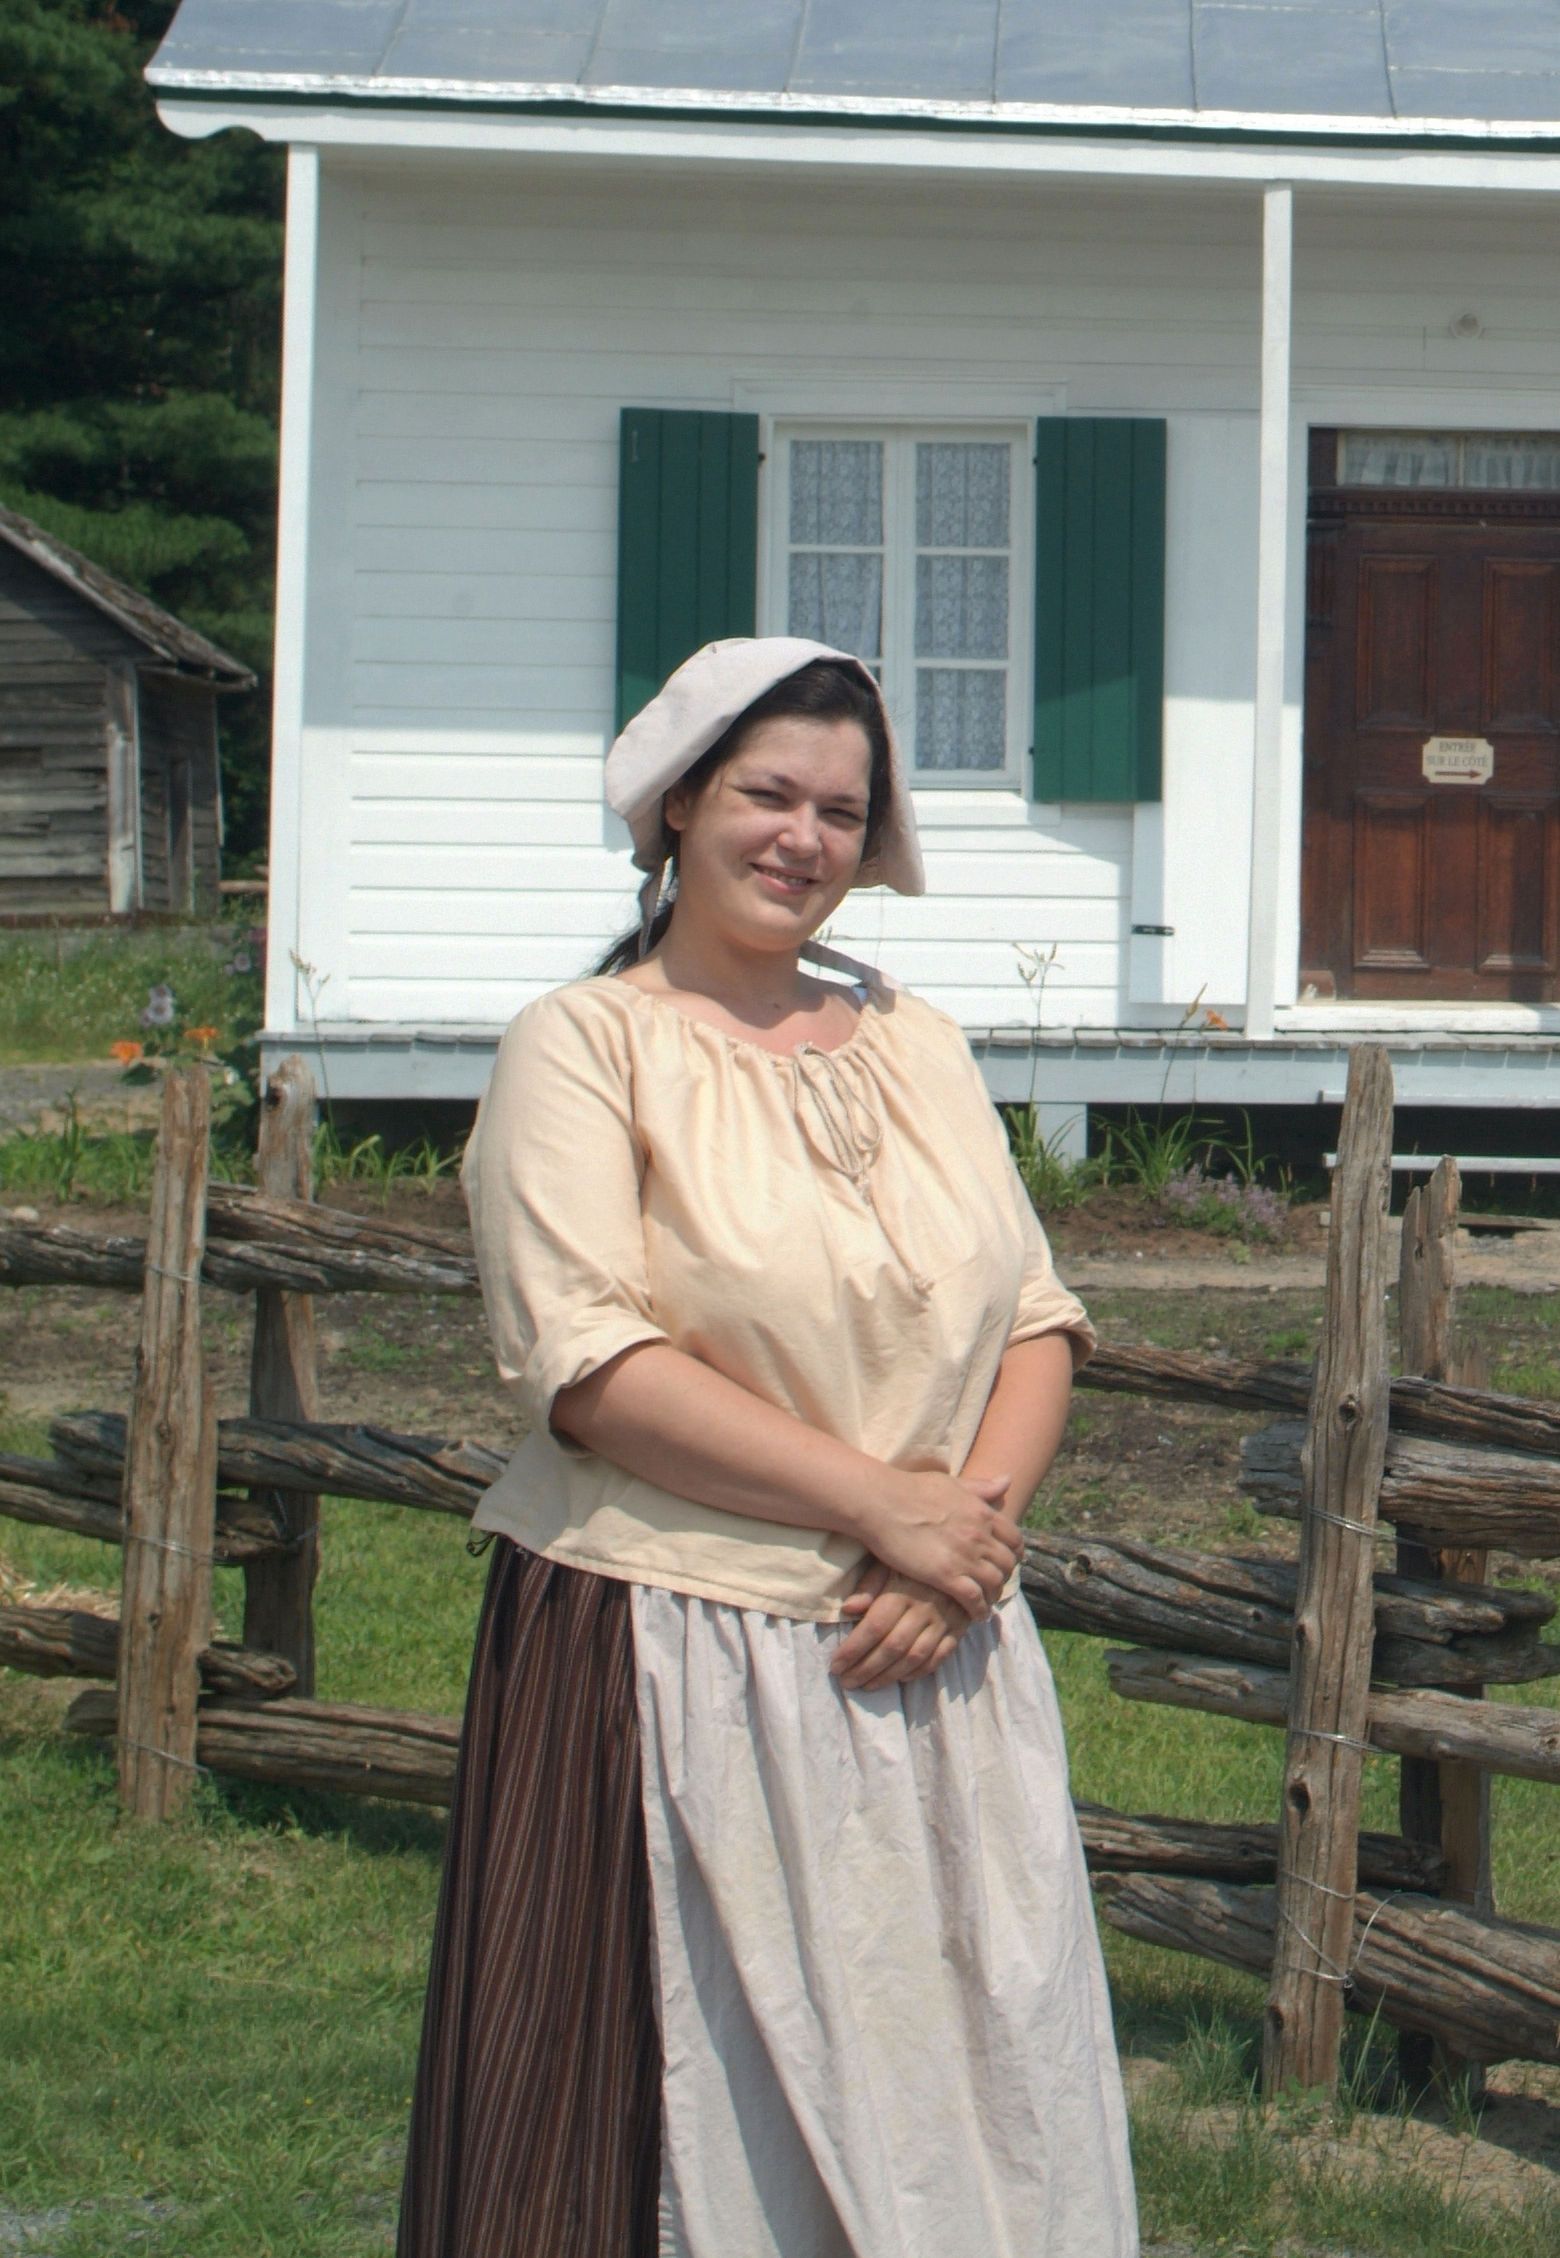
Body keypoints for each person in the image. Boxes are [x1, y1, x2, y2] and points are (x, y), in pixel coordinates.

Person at [397, 637, 1138, 2257]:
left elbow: (1034, 1315)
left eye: (841, 812)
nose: (803, 839)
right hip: (669, 1646)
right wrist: (891, 1508)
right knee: (686, 2115)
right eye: (767, 795)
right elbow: (587, 1364)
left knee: (968, 2090)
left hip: (925, 1650)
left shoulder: (918, 1043)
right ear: (675, 806)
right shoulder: (586, 1045)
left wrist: (963, 1549)